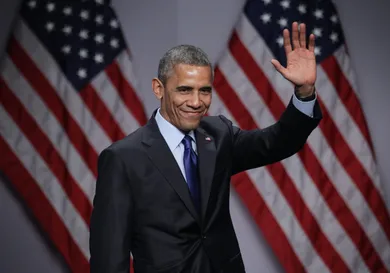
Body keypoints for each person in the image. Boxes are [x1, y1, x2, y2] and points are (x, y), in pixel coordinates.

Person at [89, 22, 322, 273]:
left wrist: (305, 91)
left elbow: (276, 143)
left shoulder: (218, 134)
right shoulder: (123, 159)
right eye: (184, 90)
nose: (196, 102)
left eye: (205, 91)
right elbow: (109, 259)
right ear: (159, 88)